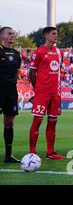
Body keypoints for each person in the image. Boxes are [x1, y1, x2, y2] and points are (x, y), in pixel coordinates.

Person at [29, 27, 65, 159]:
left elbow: (58, 71)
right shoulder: (38, 52)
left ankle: (50, 152)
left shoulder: (58, 52)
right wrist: (37, 88)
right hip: (42, 92)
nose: (56, 36)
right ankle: (32, 151)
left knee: (52, 122)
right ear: (46, 36)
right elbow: (32, 72)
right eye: (53, 34)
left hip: (55, 93)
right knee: (37, 121)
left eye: (57, 33)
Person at [0, 27, 22, 163]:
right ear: (2, 36)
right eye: (9, 33)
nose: (12, 35)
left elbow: (16, 72)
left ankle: (8, 155)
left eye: (13, 33)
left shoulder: (15, 53)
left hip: (11, 91)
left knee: (9, 123)